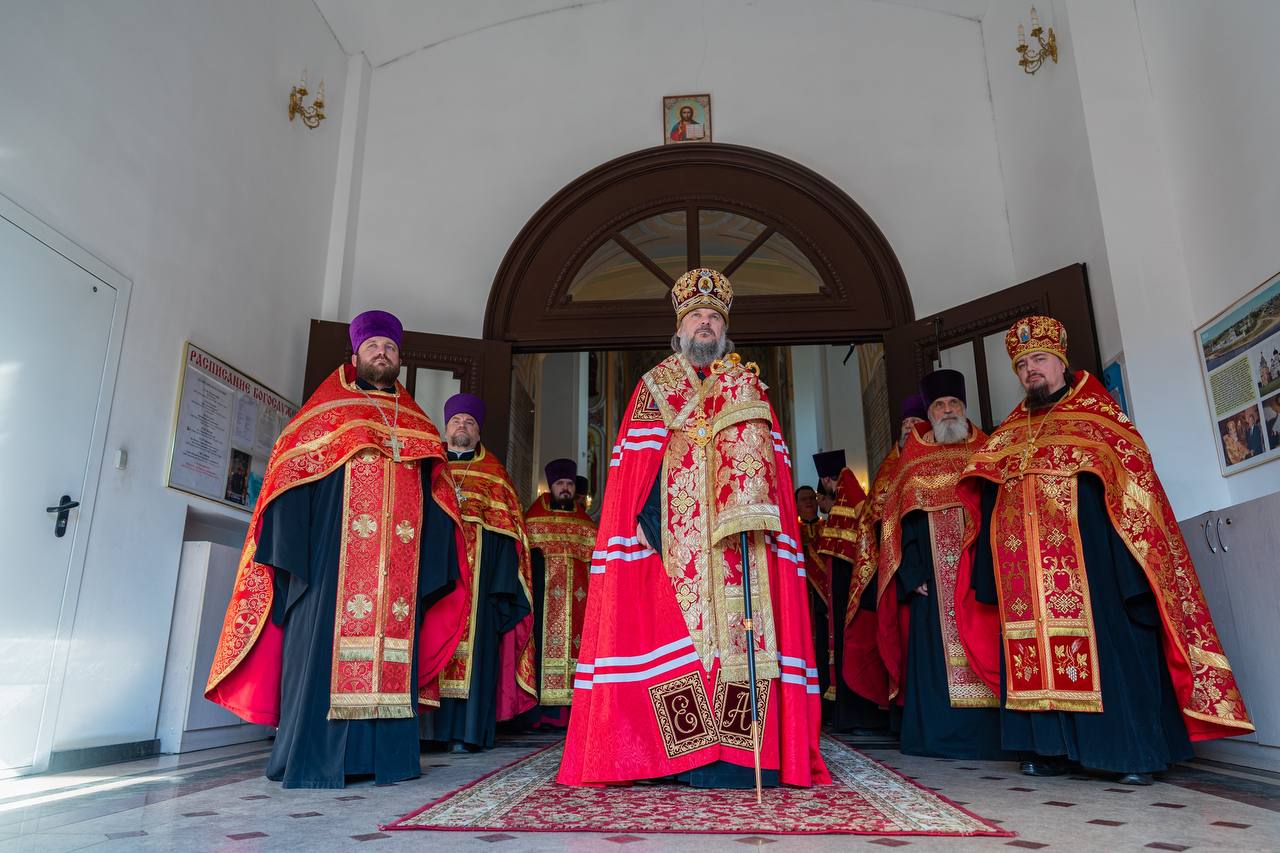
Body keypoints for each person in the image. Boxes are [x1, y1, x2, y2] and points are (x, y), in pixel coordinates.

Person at [558, 268, 828, 788]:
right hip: (668, 539)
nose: (704, 325)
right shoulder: (654, 386)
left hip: (742, 545)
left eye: (713, 318)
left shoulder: (748, 385)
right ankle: (679, 758)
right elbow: (635, 468)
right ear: (678, 332)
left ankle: (737, 757)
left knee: (742, 640)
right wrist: (645, 520)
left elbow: (772, 468)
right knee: (677, 640)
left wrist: (761, 519)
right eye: (695, 318)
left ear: (724, 331)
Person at [960, 316, 1253, 785]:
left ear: (1060, 362)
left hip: (1093, 564)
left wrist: (1129, 570)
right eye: (1022, 365)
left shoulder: (1101, 419)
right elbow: (988, 498)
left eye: (1038, 360)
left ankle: (1128, 753)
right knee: (1031, 654)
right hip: (1025, 579)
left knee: (1110, 651)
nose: (1030, 371)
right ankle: (1049, 748)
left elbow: (1135, 495)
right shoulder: (1008, 433)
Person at [205, 310, 470, 788]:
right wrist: (295, 559)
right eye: (374, 348)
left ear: (399, 358)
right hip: (331, 566)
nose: (382, 354)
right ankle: (316, 761)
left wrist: (435, 564)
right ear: (356, 355)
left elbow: (438, 495)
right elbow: (288, 481)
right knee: (321, 658)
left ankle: (385, 760)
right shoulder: (323, 414)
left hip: (399, 577)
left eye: (389, 348)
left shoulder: (418, 424)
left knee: (394, 657)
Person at [873, 369, 1005, 760]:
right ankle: (939, 738)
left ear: (964, 409)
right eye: (939, 406)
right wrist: (911, 575)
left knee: (990, 645)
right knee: (935, 660)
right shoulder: (912, 462)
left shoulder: (987, 452)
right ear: (929, 414)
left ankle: (993, 738)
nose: (947, 411)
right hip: (932, 582)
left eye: (953, 404)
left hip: (982, 576)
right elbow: (899, 524)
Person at [423, 393, 537, 752]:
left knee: (477, 655)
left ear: (478, 431)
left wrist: (499, 589)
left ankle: (467, 734)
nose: (462, 426)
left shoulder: (495, 477)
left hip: (480, 589)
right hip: (433, 584)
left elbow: (510, 538)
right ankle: (427, 733)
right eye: (456, 421)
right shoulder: (427, 466)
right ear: (446, 427)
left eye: (469, 423)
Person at [813, 451, 888, 733]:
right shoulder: (850, 499)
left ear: (826, 479)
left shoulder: (848, 499)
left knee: (852, 644)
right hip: (849, 594)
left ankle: (857, 715)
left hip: (852, 596)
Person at [521, 458, 597, 728]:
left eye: (568, 484)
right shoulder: (533, 519)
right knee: (540, 652)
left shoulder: (585, 523)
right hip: (543, 604)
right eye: (559, 484)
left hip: (578, 603)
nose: (565, 489)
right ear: (550, 487)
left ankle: (571, 715)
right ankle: (540, 716)